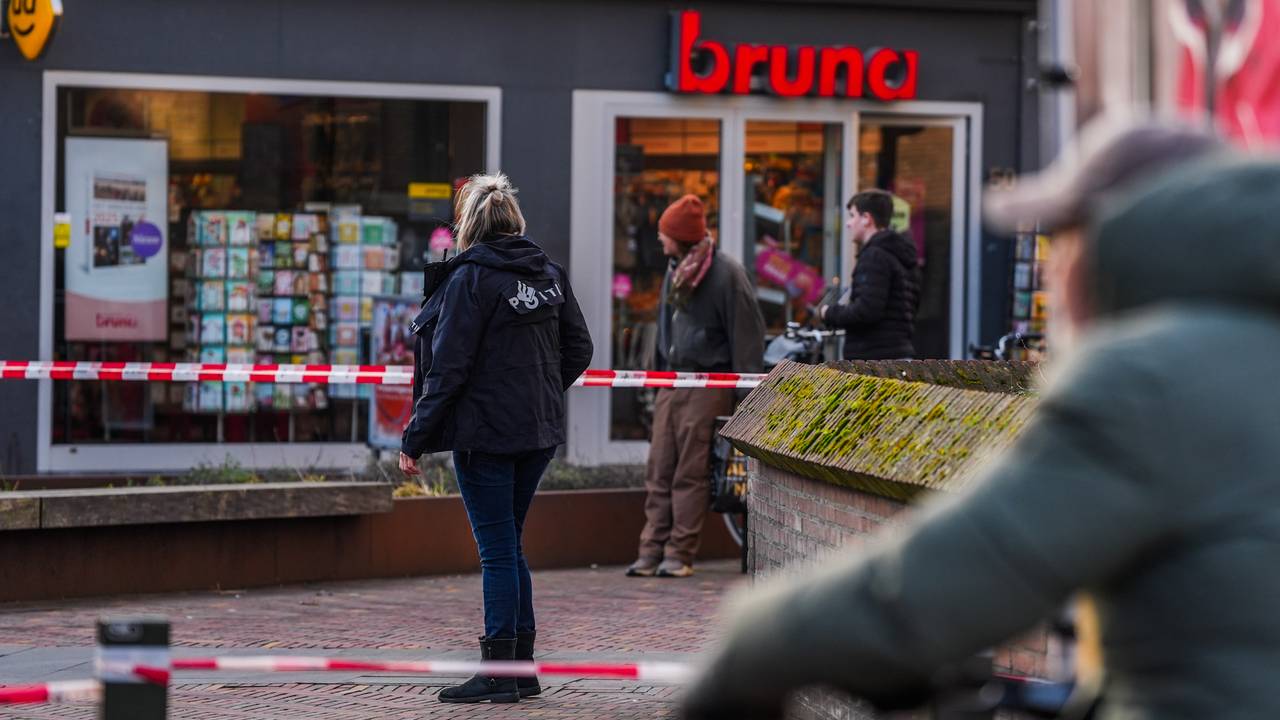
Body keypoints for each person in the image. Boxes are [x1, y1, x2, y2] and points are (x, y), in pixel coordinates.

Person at [679, 119, 1280, 720]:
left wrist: (757, 641)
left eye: (1060, 242)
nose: (1050, 271)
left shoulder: (1152, 381)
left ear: (1111, 243)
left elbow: (932, 587)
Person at [399, 172, 593, 704]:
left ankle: (498, 671)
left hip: (486, 435)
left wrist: (414, 438)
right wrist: (542, 395)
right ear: (514, 221)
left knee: (498, 551)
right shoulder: (548, 273)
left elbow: (449, 369)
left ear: (469, 227)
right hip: (536, 434)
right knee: (509, 544)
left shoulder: (470, 280)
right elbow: (580, 347)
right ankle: (520, 668)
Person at [627, 194, 765, 579]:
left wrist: (745, 397)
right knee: (659, 468)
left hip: (708, 383)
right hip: (672, 380)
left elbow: (746, 336)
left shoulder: (727, 274)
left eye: (665, 234)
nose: (659, 240)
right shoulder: (676, 270)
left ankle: (679, 553)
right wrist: (656, 379)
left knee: (690, 471)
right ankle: (650, 551)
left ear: (680, 238)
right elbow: (664, 325)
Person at [818, 189, 921, 360]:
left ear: (866, 219)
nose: (848, 223)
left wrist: (828, 313)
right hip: (897, 357)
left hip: (876, 362)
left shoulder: (875, 256)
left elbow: (866, 310)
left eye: (852, 215)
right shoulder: (901, 255)